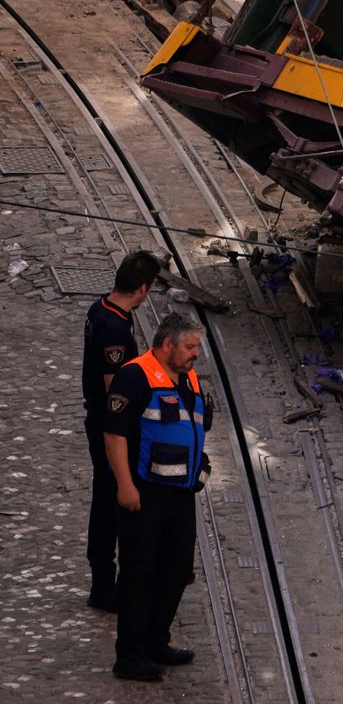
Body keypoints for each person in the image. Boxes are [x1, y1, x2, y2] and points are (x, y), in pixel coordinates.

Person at [104, 312, 212, 682]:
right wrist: (124, 486)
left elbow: (193, 426)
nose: (196, 353)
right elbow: (114, 435)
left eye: (196, 346)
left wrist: (203, 468)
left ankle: (156, 641)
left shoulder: (189, 377)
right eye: (190, 346)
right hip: (144, 494)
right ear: (168, 344)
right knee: (138, 574)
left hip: (181, 495)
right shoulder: (134, 376)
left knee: (177, 571)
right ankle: (130, 656)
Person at [81, 250, 161, 612]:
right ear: (142, 288)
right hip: (109, 424)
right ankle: (105, 585)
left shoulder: (102, 308)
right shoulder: (115, 326)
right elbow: (116, 386)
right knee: (111, 501)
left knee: (109, 498)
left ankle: (111, 578)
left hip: (101, 417)